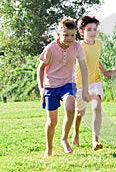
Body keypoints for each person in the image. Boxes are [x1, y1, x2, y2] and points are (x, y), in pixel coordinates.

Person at [37, 18, 90, 157]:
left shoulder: (77, 47)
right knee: (52, 122)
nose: (69, 38)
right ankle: (49, 148)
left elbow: (83, 66)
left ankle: (64, 139)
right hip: (50, 86)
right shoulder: (50, 49)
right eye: (66, 35)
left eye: (73, 35)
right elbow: (40, 69)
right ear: (58, 34)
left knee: (70, 108)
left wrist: (85, 89)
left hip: (68, 83)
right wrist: (41, 88)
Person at [72, 15, 109, 151]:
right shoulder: (79, 46)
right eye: (89, 30)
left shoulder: (98, 44)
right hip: (80, 84)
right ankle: (76, 131)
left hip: (95, 81)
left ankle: (95, 140)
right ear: (82, 32)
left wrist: (104, 71)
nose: (93, 32)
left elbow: (96, 60)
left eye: (94, 29)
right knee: (80, 112)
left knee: (96, 107)